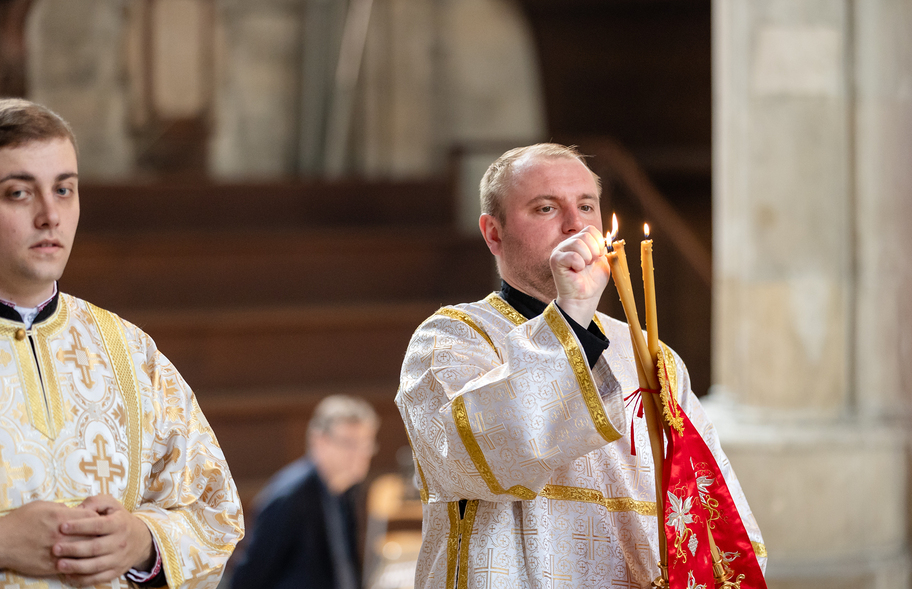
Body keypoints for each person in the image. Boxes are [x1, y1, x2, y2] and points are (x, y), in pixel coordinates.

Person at [396, 143, 766, 588]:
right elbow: (485, 454)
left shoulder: (651, 354)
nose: (576, 224)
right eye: (546, 208)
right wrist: (570, 317)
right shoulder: (450, 339)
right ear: (494, 233)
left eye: (587, 206)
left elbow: (713, 504)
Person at [0, 98, 243, 588]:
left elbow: (214, 512)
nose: (50, 215)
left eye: (64, 189)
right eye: (19, 193)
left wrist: (142, 541)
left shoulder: (130, 352)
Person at [229, 395, 379, 589]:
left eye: (366, 444)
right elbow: (246, 580)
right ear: (319, 441)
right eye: (349, 443)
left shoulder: (346, 488)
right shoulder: (289, 498)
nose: (360, 454)